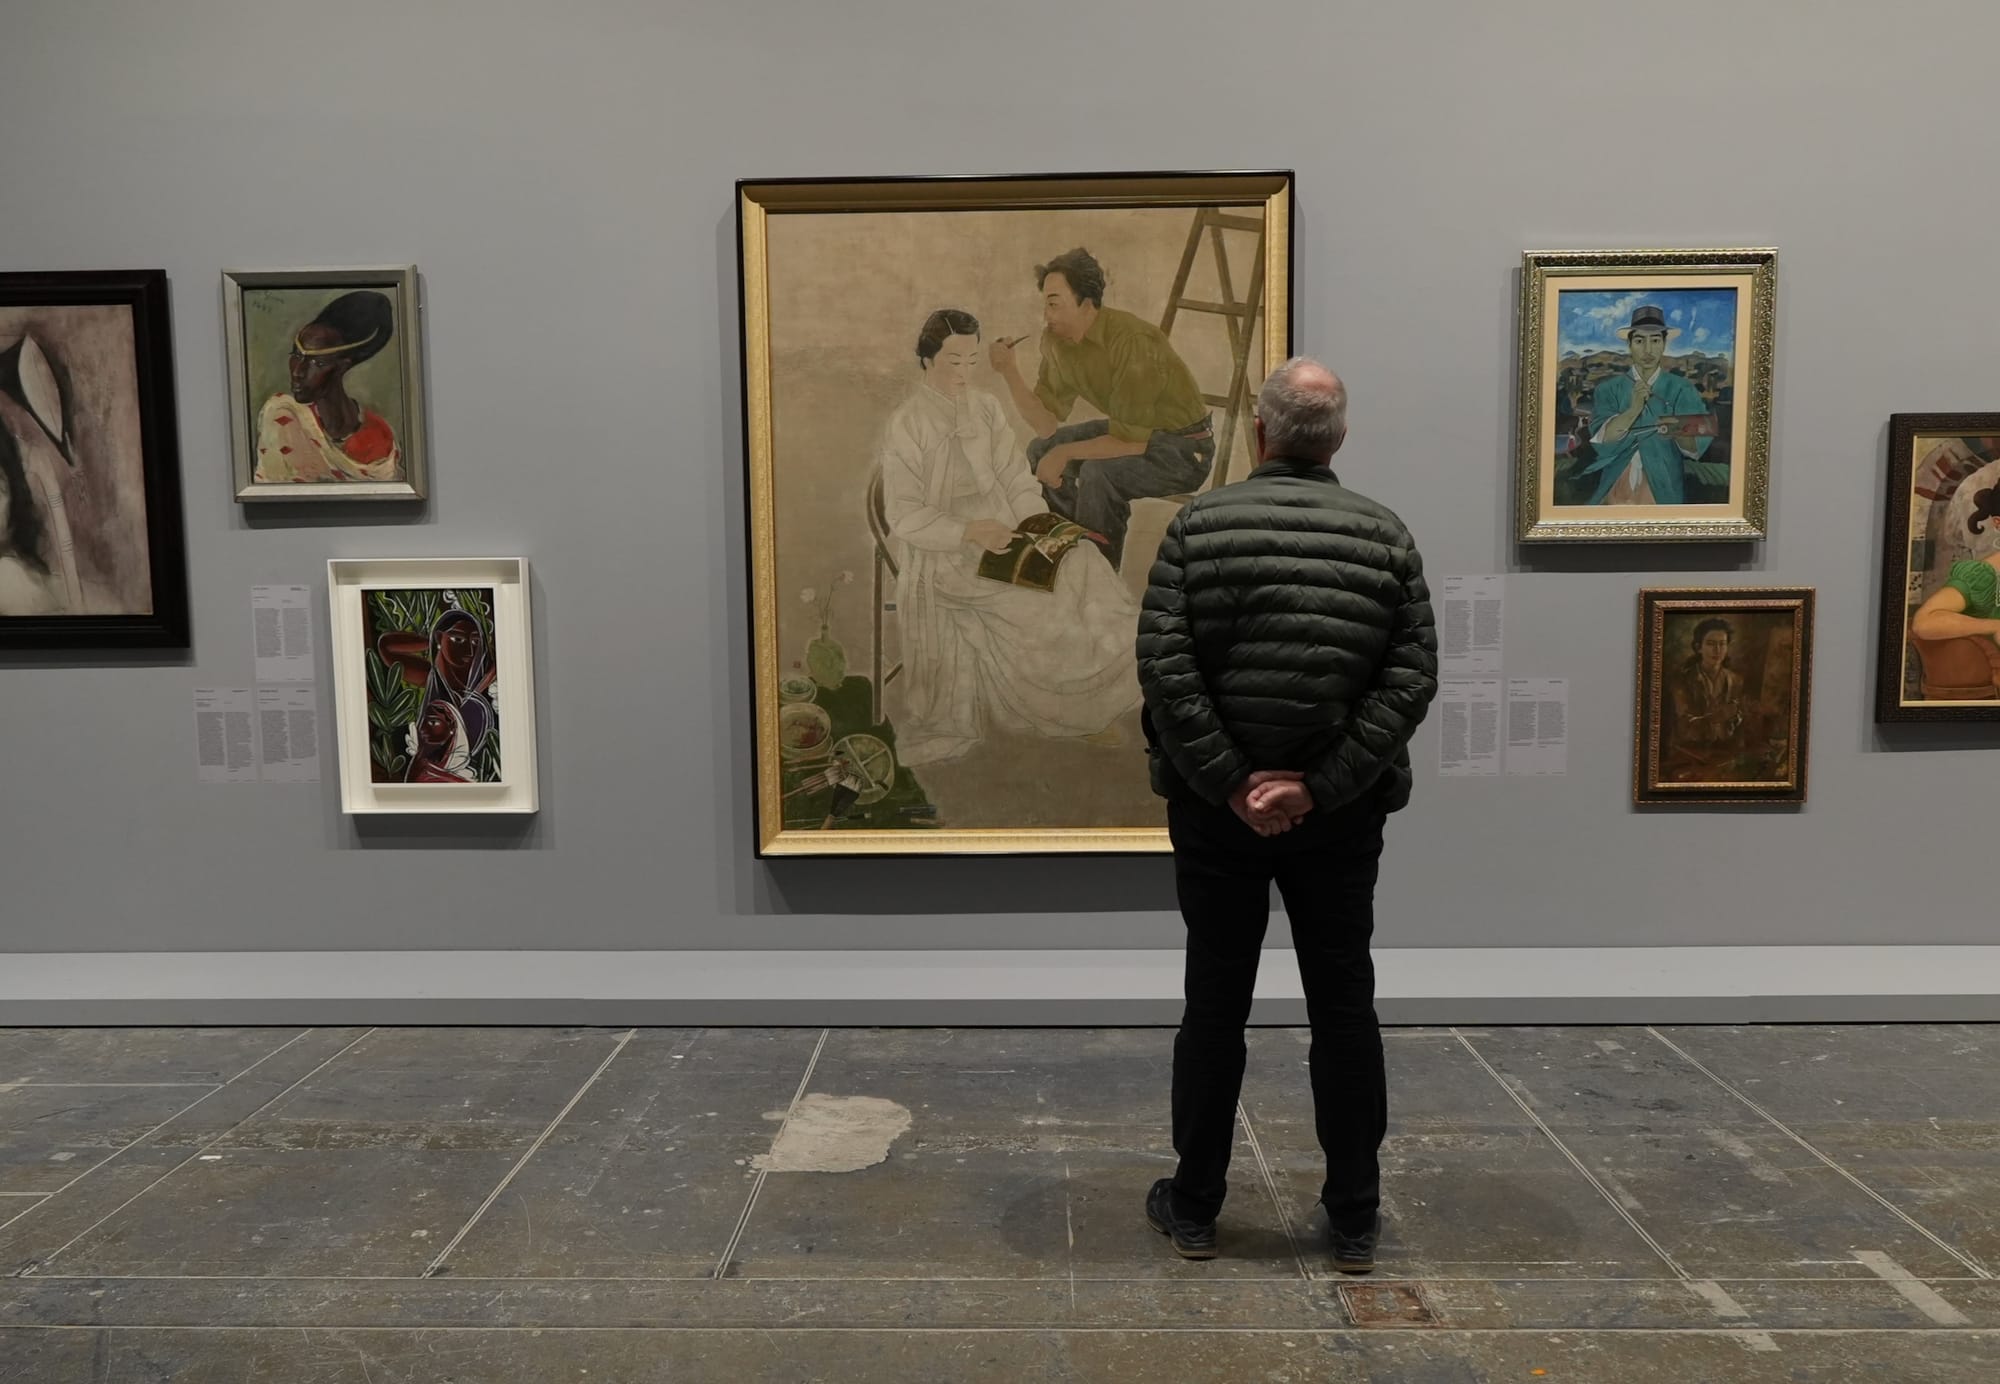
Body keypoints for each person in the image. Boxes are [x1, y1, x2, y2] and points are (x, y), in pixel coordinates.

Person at [1135, 357, 1437, 1273]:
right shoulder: (1385, 536)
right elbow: (1410, 680)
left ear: (1261, 433)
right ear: (1337, 439)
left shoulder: (1198, 527)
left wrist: (1233, 783)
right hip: (1339, 820)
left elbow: (1166, 670)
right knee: (1343, 1006)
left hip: (1216, 817)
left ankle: (1195, 1206)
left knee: (1214, 1006)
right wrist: (1318, 787)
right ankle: (1353, 1218)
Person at [878, 308, 1140, 767]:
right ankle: (1063, 712)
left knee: (1082, 562)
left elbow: (1015, 478)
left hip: (1006, 531)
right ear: (927, 360)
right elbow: (904, 515)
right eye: (953, 361)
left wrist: (1038, 526)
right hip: (948, 551)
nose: (964, 373)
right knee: (1039, 602)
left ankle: (1089, 703)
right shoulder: (908, 423)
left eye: (971, 361)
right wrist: (967, 531)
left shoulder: (985, 408)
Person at [988, 248, 1213, 569]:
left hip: (1183, 449)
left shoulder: (1132, 339)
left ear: (1086, 304)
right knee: (1040, 450)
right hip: (1132, 431)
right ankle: (1065, 555)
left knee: (1097, 473)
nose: (1046, 315)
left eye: (1054, 304)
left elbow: (1132, 442)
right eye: (1045, 304)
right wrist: (1009, 372)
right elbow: (1045, 426)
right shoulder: (1057, 342)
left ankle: (1098, 576)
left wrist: (1065, 453)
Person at [253, 290, 402, 484]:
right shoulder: (283, 417)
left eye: (318, 363)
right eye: (296, 356)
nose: (298, 371)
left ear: (342, 366)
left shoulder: (380, 436)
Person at [1574, 305, 1715, 506]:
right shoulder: (1608, 389)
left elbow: (1696, 446)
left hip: (1663, 482)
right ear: (1630, 345)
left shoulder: (1682, 389)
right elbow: (1602, 441)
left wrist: (1676, 428)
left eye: (1655, 340)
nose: (1648, 350)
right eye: (1640, 341)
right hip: (1615, 481)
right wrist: (1633, 411)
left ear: (1664, 344)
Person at [1664, 618, 1746, 777]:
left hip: (1724, 754)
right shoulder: (1682, 680)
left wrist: (1738, 717)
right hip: (1688, 754)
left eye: (1722, 644)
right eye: (1710, 644)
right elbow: (1684, 726)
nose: (1717, 650)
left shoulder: (1736, 681)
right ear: (1698, 647)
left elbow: (1739, 725)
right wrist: (1718, 716)